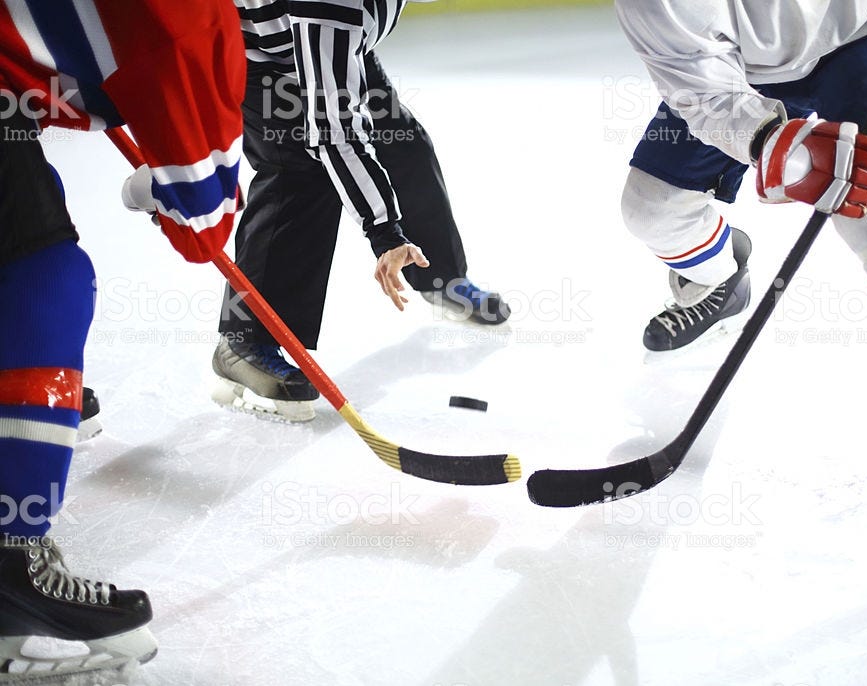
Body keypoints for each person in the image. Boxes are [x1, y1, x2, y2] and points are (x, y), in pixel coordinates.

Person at [615, 0, 867, 523]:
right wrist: (770, 141)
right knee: (651, 209)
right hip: (748, 72)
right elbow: (702, 88)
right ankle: (720, 279)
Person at [0, 0, 245, 676]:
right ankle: (8, 554)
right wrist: (149, 189)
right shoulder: (192, 23)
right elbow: (201, 226)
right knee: (42, 272)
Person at [208, 0, 510, 423]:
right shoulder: (332, 6)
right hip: (249, 49)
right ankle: (244, 340)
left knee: (400, 138)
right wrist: (386, 233)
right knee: (299, 172)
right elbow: (333, 132)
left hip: (315, 37)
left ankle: (438, 274)